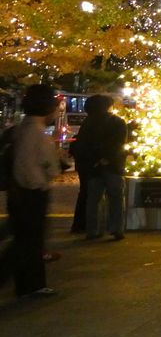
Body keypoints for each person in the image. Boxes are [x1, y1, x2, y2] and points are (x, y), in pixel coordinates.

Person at [0, 85, 60, 297]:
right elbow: (51, 167)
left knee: (23, 239)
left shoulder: (20, 129)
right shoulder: (38, 133)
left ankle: (27, 284)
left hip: (18, 190)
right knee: (29, 241)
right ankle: (31, 284)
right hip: (33, 191)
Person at [77, 95, 129, 241]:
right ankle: (116, 229)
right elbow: (119, 144)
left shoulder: (88, 122)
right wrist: (107, 158)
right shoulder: (118, 122)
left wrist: (95, 160)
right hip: (113, 165)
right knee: (116, 198)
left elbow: (83, 144)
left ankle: (93, 230)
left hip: (94, 167)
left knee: (94, 200)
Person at [68, 95, 104, 234]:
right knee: (89, 194)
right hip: (91, 164)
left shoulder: (87, 122)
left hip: (83, 163)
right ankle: (85, 225)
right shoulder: (95, 123)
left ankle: (80, 224)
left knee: (85, 193)